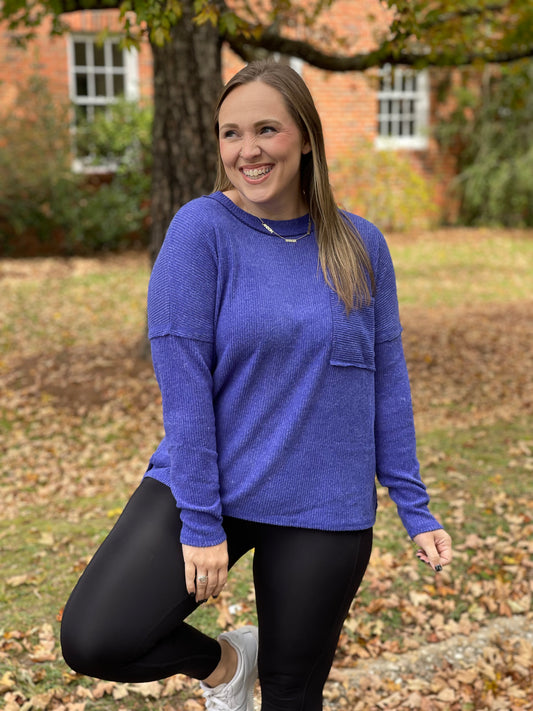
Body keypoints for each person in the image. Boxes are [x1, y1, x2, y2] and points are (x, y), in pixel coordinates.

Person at [60, 60, 452, 711]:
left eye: (265, 129)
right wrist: (201, 521)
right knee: (95, 636)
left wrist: (413, 505)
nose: (247, 150)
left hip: (323, 499)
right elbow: (183, 392)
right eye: (230, 133)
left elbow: (383, 380)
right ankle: (230, 662)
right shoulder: (202, 230)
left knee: (293, 692)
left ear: (304, 137)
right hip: (217, 478)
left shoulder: (360, 245)